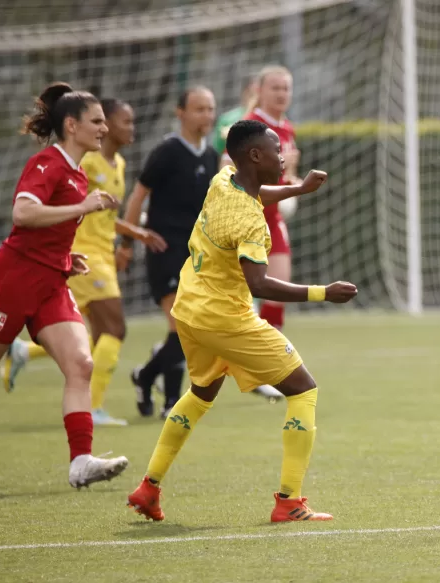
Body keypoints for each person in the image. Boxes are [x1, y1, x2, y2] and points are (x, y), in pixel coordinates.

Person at [127, 119, 356, 522]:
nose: (283, 155)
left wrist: (297, 189)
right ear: (255, 156)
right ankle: (290, 502)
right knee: (303, 389)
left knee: (200, 395)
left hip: (190, 309)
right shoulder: (249, 222)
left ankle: (149, 488)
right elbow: (259, 283)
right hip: (224, 318)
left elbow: (256, 191)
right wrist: (323, 292)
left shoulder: (224, 178)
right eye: (276, 149)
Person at [0, 82, 130, 487]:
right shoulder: (47, 163)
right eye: (97, 121)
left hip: (51, 283)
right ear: (72, 125)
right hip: (14, 281)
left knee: (81, 364)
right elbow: (23, 214)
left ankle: (81, 461)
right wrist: (83, 207)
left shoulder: (77, 172)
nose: (104, 128)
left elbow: (48, 232)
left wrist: (67, 260)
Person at [1, 98, 167, 426]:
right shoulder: (86, 163)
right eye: (122, 121)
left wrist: (133, 234)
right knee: (115, 329)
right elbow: (73, 205)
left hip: (104, 252)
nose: (125, 128)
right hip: (84, 253)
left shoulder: (117, 165)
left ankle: (23, 351)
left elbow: (103, 213)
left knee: (91, 336)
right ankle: (92, 408)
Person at [122, 86, 219, 418]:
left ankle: (146, 375)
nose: (206, 115)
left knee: (192, 331)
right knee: (183, 326)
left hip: (197, 254)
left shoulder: (210, 156)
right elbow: (137, 196)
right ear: (181, 112)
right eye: (199, 109)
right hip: (164, 250)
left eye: (210, 109)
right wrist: (127, 242)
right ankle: (171, 404)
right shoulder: (167, 151)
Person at [225, 65, 300, 401]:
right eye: (276, 87)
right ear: (261, 89)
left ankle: (268, 369)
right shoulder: (249, 126)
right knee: (238, 297)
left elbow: (285, 179)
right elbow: (227, 172)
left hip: (274, 220)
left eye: (286, 88)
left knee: (279, 290)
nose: (282, 94)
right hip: (248, 218)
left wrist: (295, 180)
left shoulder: (288, 129)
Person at [211, 73, 260, 156]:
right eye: (252, 94)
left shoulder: (271, 118)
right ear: (244, 92)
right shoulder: (228, 119)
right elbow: (218, 149)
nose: (254, 99)